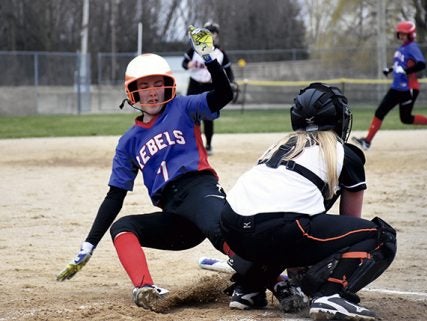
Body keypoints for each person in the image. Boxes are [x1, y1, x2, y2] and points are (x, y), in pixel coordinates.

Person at [56, 25, 234, 311]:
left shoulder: (184, 107)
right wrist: (89, 244)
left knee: (221, 229)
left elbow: (223, 95)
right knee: (123, 228)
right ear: (133, 92)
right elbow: (115, 196)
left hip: (198, 189)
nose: (152, 92)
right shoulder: (128, 142)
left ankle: (277, 281)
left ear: (168, 84)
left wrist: (210, 57)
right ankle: (145, 288)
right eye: (144, 85)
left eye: (157, 83)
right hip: (176, 216)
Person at [220, 83, 397, 320]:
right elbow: (350, 223)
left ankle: (249, 287)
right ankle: (331, 295)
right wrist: (314, 273)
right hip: (279, 228)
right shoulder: (344, 152)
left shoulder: (280, 147)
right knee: (378, 236)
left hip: (232, 228)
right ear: (339, 119)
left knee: (278, 227)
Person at [352, 20, 427, 151]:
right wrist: (390, 69)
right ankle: (367, 141)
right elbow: (401, 65)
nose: (401, 36)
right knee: (385, 113)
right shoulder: (402, 48)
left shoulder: (412, 47)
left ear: (411, 35)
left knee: (402, 117)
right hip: (397, 88)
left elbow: (421, 64)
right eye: (400, 34)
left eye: (404, 34)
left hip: (408, 89)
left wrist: (406, 71)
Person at [182, 21, 235, 155]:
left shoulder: (220, 53)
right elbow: (184, 63)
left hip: (209, 86)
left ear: (217, 35)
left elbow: (228, 72)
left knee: (208, 116)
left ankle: (208, 145)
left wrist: (229, 83)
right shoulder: (195, 49)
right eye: (208, 31)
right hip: (194, 84)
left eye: (213, 32)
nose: (211, 34)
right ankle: (191, 144)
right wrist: (189, 64)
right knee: (189, 116)